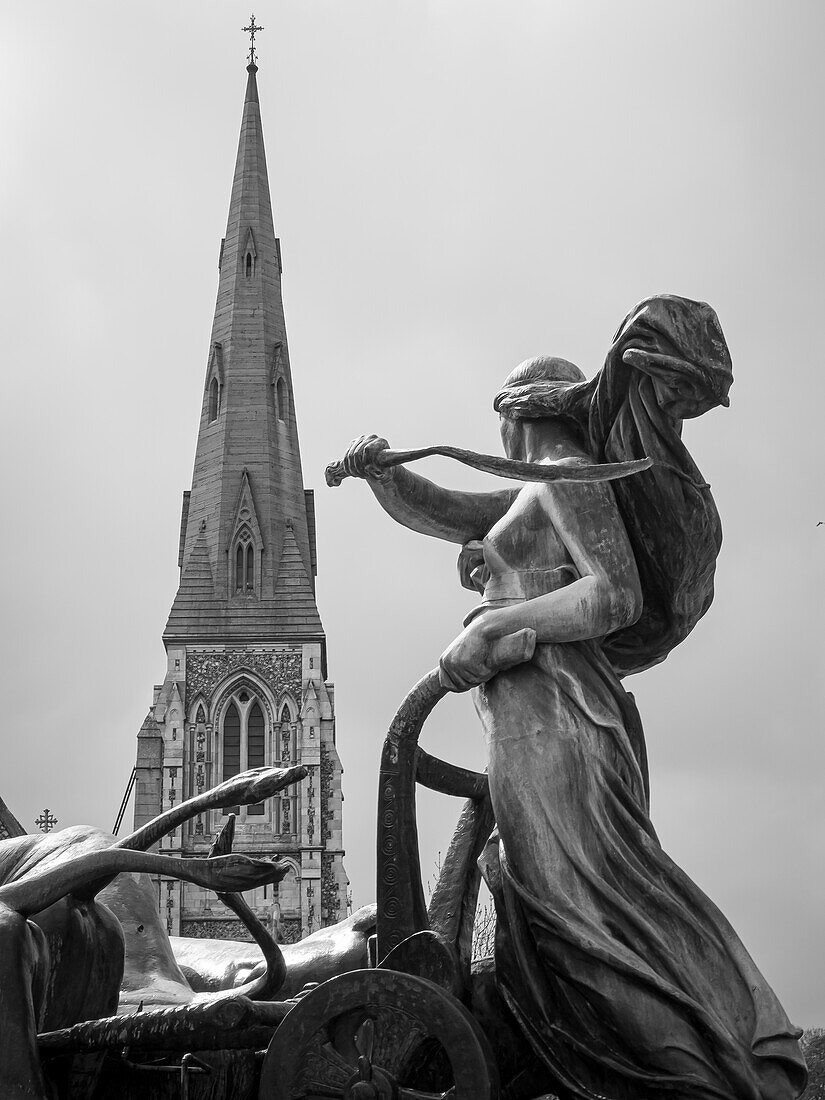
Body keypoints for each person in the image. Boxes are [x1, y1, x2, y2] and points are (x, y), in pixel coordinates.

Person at [340, 295, 806, 1100]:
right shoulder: (539, 488)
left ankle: (703, 1076)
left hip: (561, 719)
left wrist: (493, 629)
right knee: (565, 907)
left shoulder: (569, 478)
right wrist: (388, 479)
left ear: (518, 419)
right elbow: (456, 514)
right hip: (531, 717)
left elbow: (612, 596)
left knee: (584, 911)